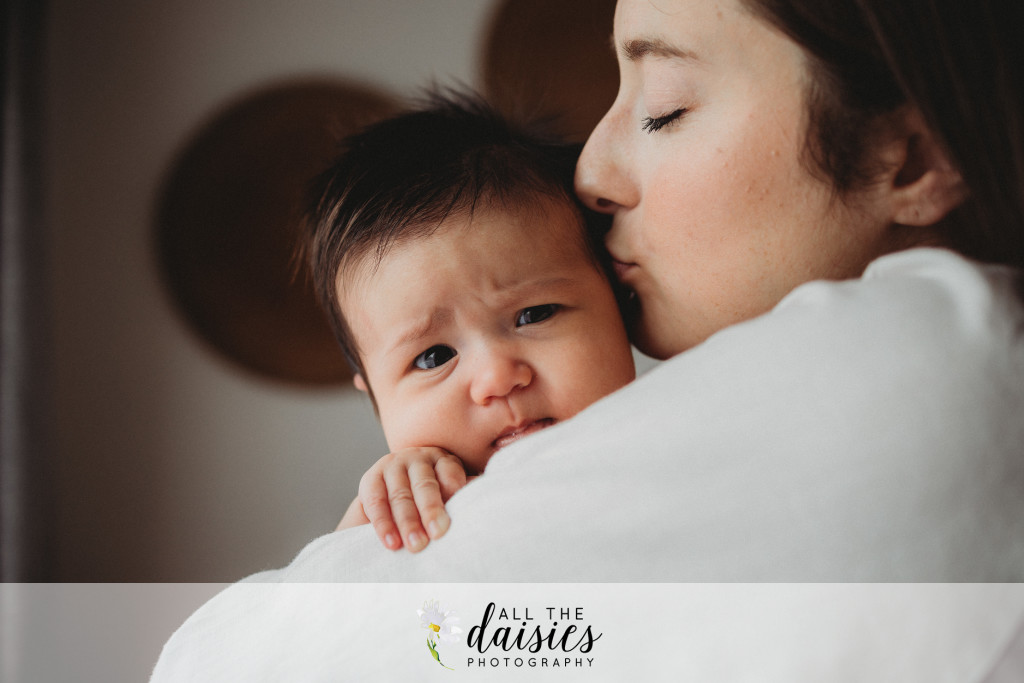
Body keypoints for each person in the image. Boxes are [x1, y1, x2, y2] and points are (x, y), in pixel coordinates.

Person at [152, 0, 1024, 678]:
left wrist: (343, 576)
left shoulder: (931, 361)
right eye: (431, 357)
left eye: (664, 108)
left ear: (910, 157)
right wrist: (365, 536)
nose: (592, 172)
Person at [302, 94, 635, 553]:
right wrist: (363, 535)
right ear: (375, 398)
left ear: (619, 299)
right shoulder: (416, 518)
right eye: (433, 357)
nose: (497, 378)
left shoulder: (684, 426)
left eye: (534, 314)